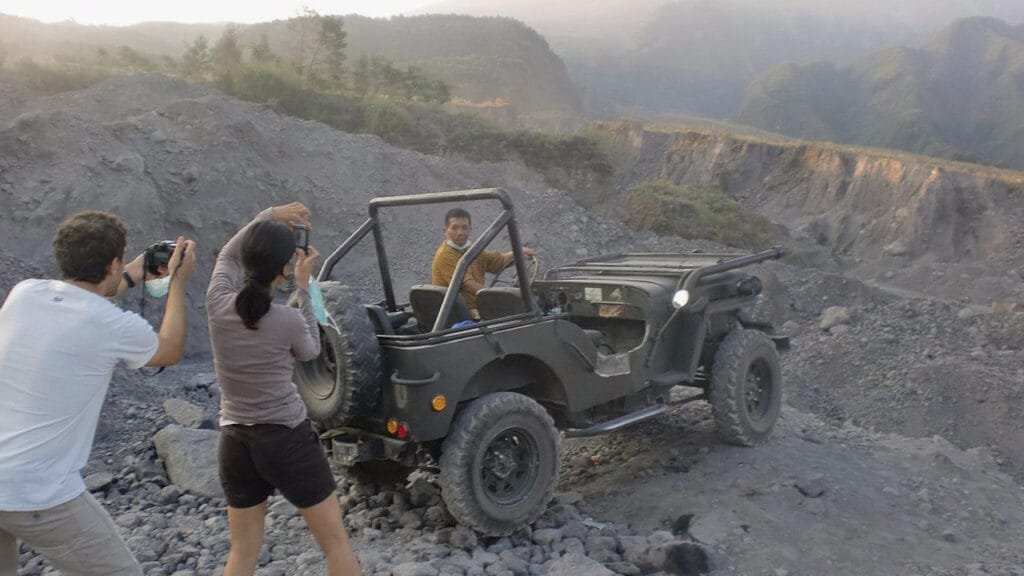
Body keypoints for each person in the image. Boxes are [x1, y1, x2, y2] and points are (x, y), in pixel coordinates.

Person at [0, 211, 196, 576]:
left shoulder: (24, 293)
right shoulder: (112, 325)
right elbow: (168, 348)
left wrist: (132, 274)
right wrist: (178, 284)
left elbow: (82, 301)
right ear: (111, 264)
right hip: (38, 492)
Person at [207, 202, 361, 576]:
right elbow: (310, 349)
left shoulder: (216, 302)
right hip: (286, 440)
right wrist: (305, 287)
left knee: (242, 552)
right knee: (335, 545)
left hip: (234, 440)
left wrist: (267, 215)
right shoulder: (287, 320)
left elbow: (228, 252)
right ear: (285, 268)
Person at [430, 207, 535, 319]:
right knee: (517, 316)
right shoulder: (446, 254)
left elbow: (496, 262)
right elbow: (467, 284)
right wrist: (495, 297)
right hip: (458, 313)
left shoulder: (470, 250)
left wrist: (516, 253)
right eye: (454, 228)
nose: (460, 232)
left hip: (472, 309)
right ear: (445, 231)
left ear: (470, 230)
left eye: (464, 228)